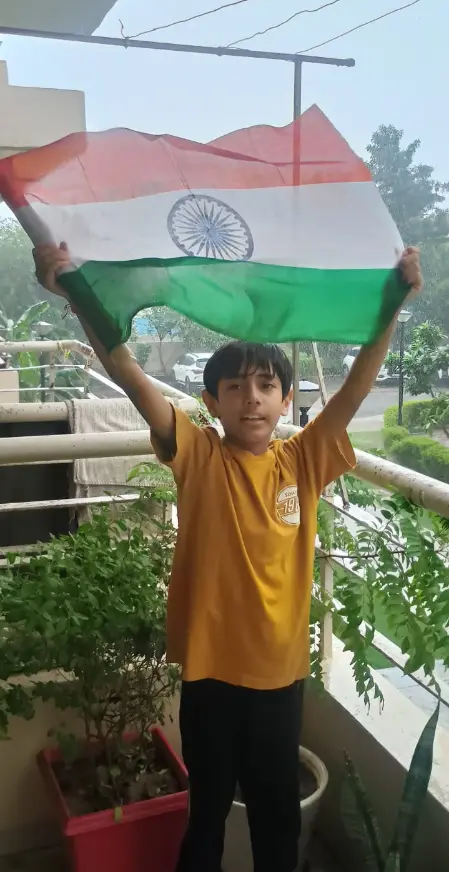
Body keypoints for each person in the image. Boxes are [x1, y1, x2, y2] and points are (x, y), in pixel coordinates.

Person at [34, 243, 422, 872]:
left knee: (275, 813)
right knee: (208, 809)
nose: (251, 398)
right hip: (211, 674)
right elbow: (131, 376)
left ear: (286, 398)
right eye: (235, 387)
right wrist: (77, 297)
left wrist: (392, 307)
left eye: (266, 386)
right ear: (211, 402)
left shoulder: (304, 460)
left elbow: (354, 390)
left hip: (279, 677)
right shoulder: (199, 456)